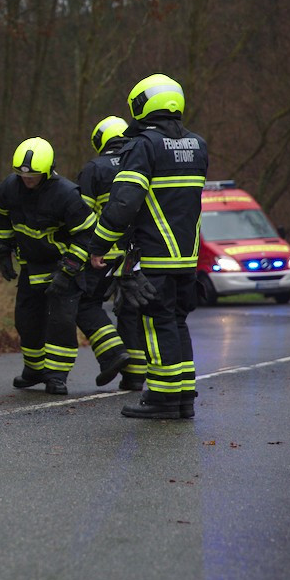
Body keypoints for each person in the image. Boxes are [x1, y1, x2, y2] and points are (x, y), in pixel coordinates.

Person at [88, 74, 208, 419]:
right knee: (178, 321)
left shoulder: (144, 145)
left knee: (157, 325)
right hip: (188, 257)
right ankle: (184, 396)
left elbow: (124, 203)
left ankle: (163, 399)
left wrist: (100, 245)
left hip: (155, 255)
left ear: (141, 105)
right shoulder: (198, 145)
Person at [0, 137, 97, 395]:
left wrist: (69, 270)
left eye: (33, 176)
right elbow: (2, 219)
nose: (27, 180)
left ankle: (57, 376)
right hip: (31, 267)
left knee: (60, 323)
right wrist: (2, 252)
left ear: (48, 171)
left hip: (62, 266)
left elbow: (86, 235)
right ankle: (34, 370)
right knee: (26, 320)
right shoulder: (9, 188)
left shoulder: (66, 194)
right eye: (22, 176)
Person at [76, 116, 139, 390]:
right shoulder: (140, 162)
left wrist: (81, 253)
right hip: (136, 256)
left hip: (102, 254)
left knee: (85, 304)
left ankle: (112, 354)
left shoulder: (94, 168)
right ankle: (135, 376)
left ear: (100, 141)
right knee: (131, 311)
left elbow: (82, 217)